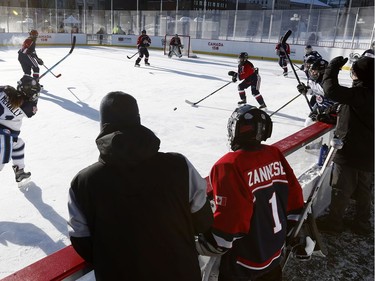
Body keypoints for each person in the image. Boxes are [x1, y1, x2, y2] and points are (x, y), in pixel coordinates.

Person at [67, 91, 213, 280]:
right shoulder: (179, 165)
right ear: (138, 120)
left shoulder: (83, 182)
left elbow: (82, 242)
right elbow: (203, 220)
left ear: (103, 125)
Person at [196, 105, 304, 280]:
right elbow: (295, 197)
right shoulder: (274, 153)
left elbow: (231, 222)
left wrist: (198, 244)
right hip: (274, 253)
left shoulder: (229, 165)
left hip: (245, 262)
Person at [318, 56, 374, 236]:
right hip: (369, 153)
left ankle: (334, 224)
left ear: (358, 74)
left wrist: (332, 68)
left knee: (341, 189)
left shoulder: (362, 93)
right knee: (364, 189)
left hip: (351, 152)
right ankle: (362, 224)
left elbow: (331, 90)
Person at [0, 75, 41, 183]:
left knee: (19, 144)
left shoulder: (5, 91)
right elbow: (32, 110)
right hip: (3, 137)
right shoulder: (27, 107)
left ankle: (19, 171)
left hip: (5, 134)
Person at [297, 58, 338, 127]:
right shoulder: (311, 80)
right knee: (308, 124)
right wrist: (305, 90)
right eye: (311, 71)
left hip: (329, 108)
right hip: (318, 106)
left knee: (325, 127)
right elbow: (313, 91)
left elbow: (336, 100)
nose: (312, 73)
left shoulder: (328, 83)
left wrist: (330, 111)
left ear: (322, 72)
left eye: (315, 71)